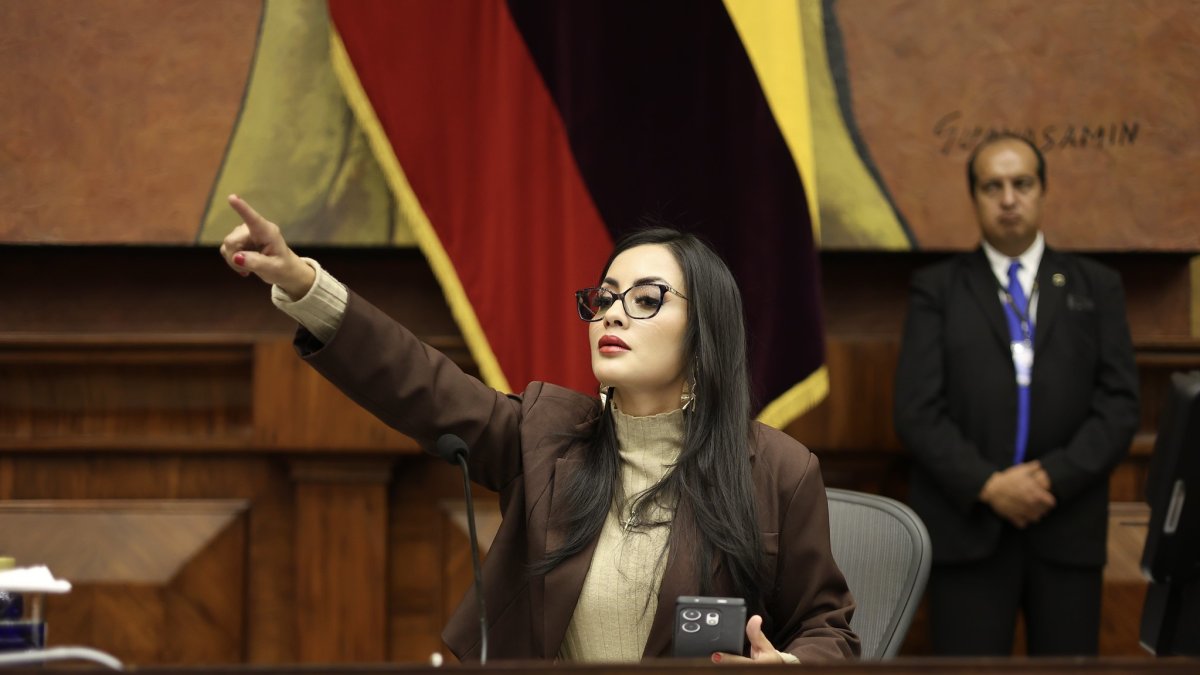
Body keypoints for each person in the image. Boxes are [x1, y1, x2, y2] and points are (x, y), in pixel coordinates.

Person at [219, 195, 859, 663]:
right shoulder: (547, 436)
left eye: (646, 299)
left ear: (705, 333)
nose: (613, 313)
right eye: (604, 297)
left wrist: (793, 666)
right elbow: (418, 383)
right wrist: (304, 284)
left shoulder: (776, 469)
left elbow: (829, 627)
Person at [894, 134, 1140, 655]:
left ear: (1043, 191)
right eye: (993, 186)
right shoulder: (936, 289)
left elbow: (1119, 408)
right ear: (976, 197)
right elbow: (916, 412)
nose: (1008, 198)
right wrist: (989, 485)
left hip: (1067, 526)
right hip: (968, 530)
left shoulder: (1096, 286)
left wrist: (1050, 478)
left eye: (1021, 184)